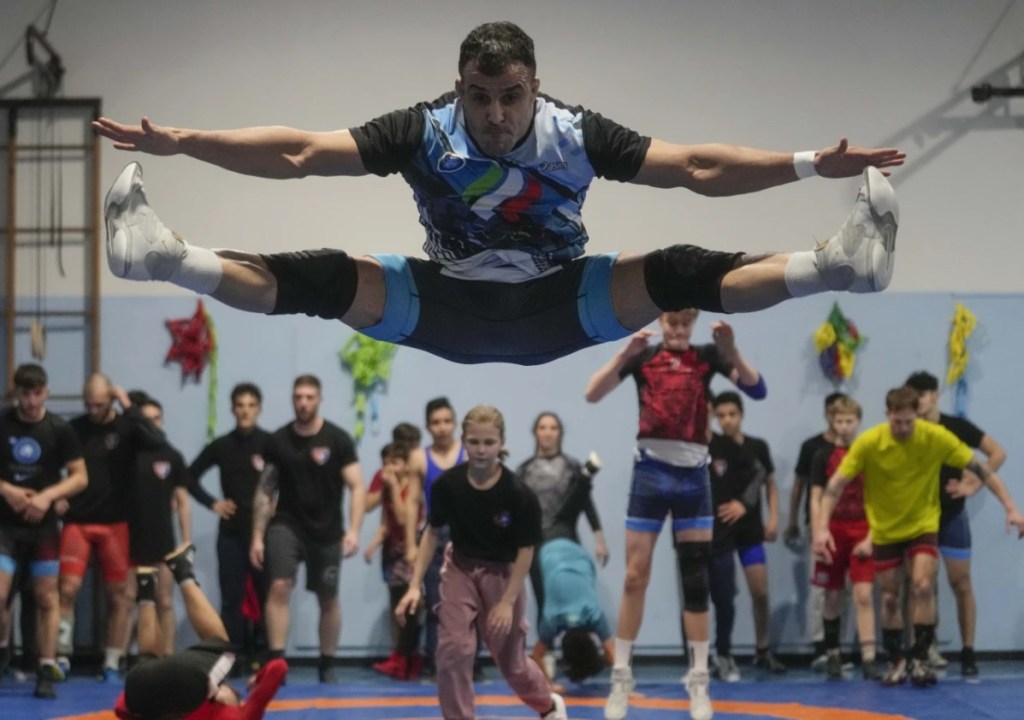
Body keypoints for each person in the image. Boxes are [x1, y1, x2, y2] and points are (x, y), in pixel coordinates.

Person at [94, 21, 902, 369]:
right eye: (481, 98)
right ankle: (162, 256)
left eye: (511, 96)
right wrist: (182, 142)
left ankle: (840, 266)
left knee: (683, 269)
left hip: (559, 303)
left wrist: (805, 164)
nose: (496, 116)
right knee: (321, 276)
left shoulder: (575, 134)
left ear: (535, 87)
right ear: (459, 88)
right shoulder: (422, 131)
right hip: (443, 304)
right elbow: (302, 152)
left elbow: (695, 168)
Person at [586, 310, 765, 720]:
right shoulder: (644, 357)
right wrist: (623, 354)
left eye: (686, 324)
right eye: (672, 323)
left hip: (692, 478)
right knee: (635, 576)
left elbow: (758, 390)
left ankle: (699, 681)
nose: (679, 331)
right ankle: (621, 679)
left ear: (695, 322)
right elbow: (592, 394)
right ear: (663, 322)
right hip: (650, 475)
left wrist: (732, 351)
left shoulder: (706, 357)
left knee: (696, 579)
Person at [813, 386, 1024, 688]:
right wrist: (821, 528)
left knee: (923, 585)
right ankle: (897, 659)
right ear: (888, 416)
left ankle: (921, 657)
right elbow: (834, 486)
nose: (902, 428)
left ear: (917, 416)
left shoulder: (934, 437)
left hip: (923, 523)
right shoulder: (871, 443)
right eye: (897, 422)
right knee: (889, 597)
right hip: (885, 528)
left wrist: (1011, 507)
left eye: (908, 422)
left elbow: (983, 469)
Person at [394, 405, 566, 720]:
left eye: (489, 443)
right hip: (459, 567)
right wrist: (415, 586)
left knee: (511, 665)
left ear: (501, 443)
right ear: (464, 442)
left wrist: (506, 602)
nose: (481, 450)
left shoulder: (518, 494)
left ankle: (547, 705)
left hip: (504, 574)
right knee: (453, 651)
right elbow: (432, 533)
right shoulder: (448, 485)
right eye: (474, 442)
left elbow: (526, 550)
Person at [248, 374, 365, 683]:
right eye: (298, 397)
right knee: (280, 586)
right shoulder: (278, 441)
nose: (303, 403)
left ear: (319, 399)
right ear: (292, 400)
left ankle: (327, 664)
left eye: (309, 397)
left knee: (328, 597)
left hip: (327, 531)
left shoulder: (338, 440)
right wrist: (257, 537)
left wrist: (353, 530)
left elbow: (357, 486)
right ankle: (276, 665)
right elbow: (264, 492)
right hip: (286, 525)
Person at [60, 374, 165, 680]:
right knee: (67, 589)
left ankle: (112, 661)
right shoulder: (74, 428)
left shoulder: (128, 426)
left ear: (111, 399)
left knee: (120, 595)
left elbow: (158, 442)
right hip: (78, 520)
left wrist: (129, 406)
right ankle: (62, 656)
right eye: (89, 405)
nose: (94, 411)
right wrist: (57, 496)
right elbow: (53, 463)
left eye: (101, 405)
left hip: (116, 521)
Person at [903, 371, 1005, 677]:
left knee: (961, 583)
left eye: (922, 395)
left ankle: (968, 651)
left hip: (951, 516)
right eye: (913, 395)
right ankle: (920, 651)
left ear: (934, 395)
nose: (918, 401)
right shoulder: (907, 432)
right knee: (920, 586)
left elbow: (997, 453)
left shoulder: (956, 427)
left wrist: (973, 483)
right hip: (920, 518)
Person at [114, 544, 288, 720]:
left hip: (184, 682)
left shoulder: (236, 712)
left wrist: (257, 680)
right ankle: (146, 588)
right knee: (148, 662)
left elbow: (278, 667)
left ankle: (183, 571)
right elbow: (121, 708)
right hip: (137, 689)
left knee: (222, 644)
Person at [0, 364, 88, 699]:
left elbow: (80, 477)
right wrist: (7, 489)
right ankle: (4, 648)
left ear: (46, 392)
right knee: (0, 594)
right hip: (6, 525)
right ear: (17, 393)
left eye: (38, 393)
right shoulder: (3, 423)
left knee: (47, 598)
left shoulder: (59, 429)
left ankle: (46, 666)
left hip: (44, 528)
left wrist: (49, 496)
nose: (32, 400)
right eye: (26, 393)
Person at [188, 383, 271, 667]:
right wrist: (214, 503)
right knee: (231, 598)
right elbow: (188, 476)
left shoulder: (270, 444)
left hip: (263, 533)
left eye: (251, 405)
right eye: (240, 405)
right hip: (232, 533)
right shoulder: (222, 445)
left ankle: (261, 656)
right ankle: (232, 656)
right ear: (232, 409)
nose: (245, 411)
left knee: (264, 596)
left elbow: (289, 480)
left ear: (258, 408)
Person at [706, 391, 785, 680]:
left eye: (732, 414)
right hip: (722, 532)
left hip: (751, 531)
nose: (727, 420)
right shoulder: (713, 448)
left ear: (741, 415)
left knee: (760, 591)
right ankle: (721, 651)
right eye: (721, 415)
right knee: (723, 594)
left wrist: (773, 518)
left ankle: (762, 648)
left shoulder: (756, 447)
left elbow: (769, 483)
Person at [807, 396, 879, 681]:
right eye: (839, 421)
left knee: (863, 594)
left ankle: (869, 657)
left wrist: (872, 537)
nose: (845, 427)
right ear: (831, 422)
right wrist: (819, 533)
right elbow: (817, 496)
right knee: (832, 593)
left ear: (858, 422)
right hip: (833, 529)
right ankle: (833, 653)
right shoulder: (822, 455)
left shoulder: (868, 453)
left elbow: (878, 498)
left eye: (850, 421)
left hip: (862, 528)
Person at [515, 411, 607, 627]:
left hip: (566, 537)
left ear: (560, 433)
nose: (548, 433)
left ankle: (575, 650)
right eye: (543, 427)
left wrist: (599, 538)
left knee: (574, 594)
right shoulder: (524, 470)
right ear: (535, 433)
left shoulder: (573, 467)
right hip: (534, 542)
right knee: (542, 598)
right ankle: (546, 655)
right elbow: (516, 511)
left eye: (553, 428)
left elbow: (586, 503)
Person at [783, 391, 848, 668]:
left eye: (845, 415)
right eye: (834, 413)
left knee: (842, 589)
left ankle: (836, 647)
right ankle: (819, 646)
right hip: (819, 526)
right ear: (827, 415)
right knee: (819, 587)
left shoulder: (855, 449)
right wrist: (794, 520)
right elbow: (801, 485)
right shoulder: (812, 447)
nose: (839, 420)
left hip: (848, 525)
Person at [406, 397, 470, 677]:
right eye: (436, 423)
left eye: (446, 421)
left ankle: (470, 661)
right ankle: (434, 660)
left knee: (470, 601)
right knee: (435, 601)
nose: (442, 428)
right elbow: (412, 504)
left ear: (455, 424)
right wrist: (410, 543)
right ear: (428, 426)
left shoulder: (468, 453)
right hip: (434, 532)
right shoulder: (420, 457)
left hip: (465, 533)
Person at [127, 394, 193, 657]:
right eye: (147, 419)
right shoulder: (129, 454)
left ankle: (167, 657)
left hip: (163, 539)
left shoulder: (172, 456)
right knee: (129, 601)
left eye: (156, 418)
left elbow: (183, 501)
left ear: (162, 420)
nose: (152, 424)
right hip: (132, 537)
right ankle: (122, 658)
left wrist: (186, 542)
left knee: (164, 600)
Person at [363, 442, 423, 680]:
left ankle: (405, 657)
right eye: (386, 463)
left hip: (412, 551)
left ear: (407, 466)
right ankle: (404, 658)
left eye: (395, 463)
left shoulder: (410, 489)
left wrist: (396, 487)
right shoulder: (388, 489)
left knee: (411, 608)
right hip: (393, 554)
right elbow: (387, 522)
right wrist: (373, 545)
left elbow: (402, 516)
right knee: (397, 606)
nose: (389, 468)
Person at [529, 537, 614, 692]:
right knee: (553, 591)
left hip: (575, 556)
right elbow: (612, 655)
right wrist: (622, 690)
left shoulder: (592, 614)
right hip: (555, 554)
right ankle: (588, 663)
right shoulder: (555, 618)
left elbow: (536, 656)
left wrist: (549, 686)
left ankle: (584, 663)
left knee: (558, 590)